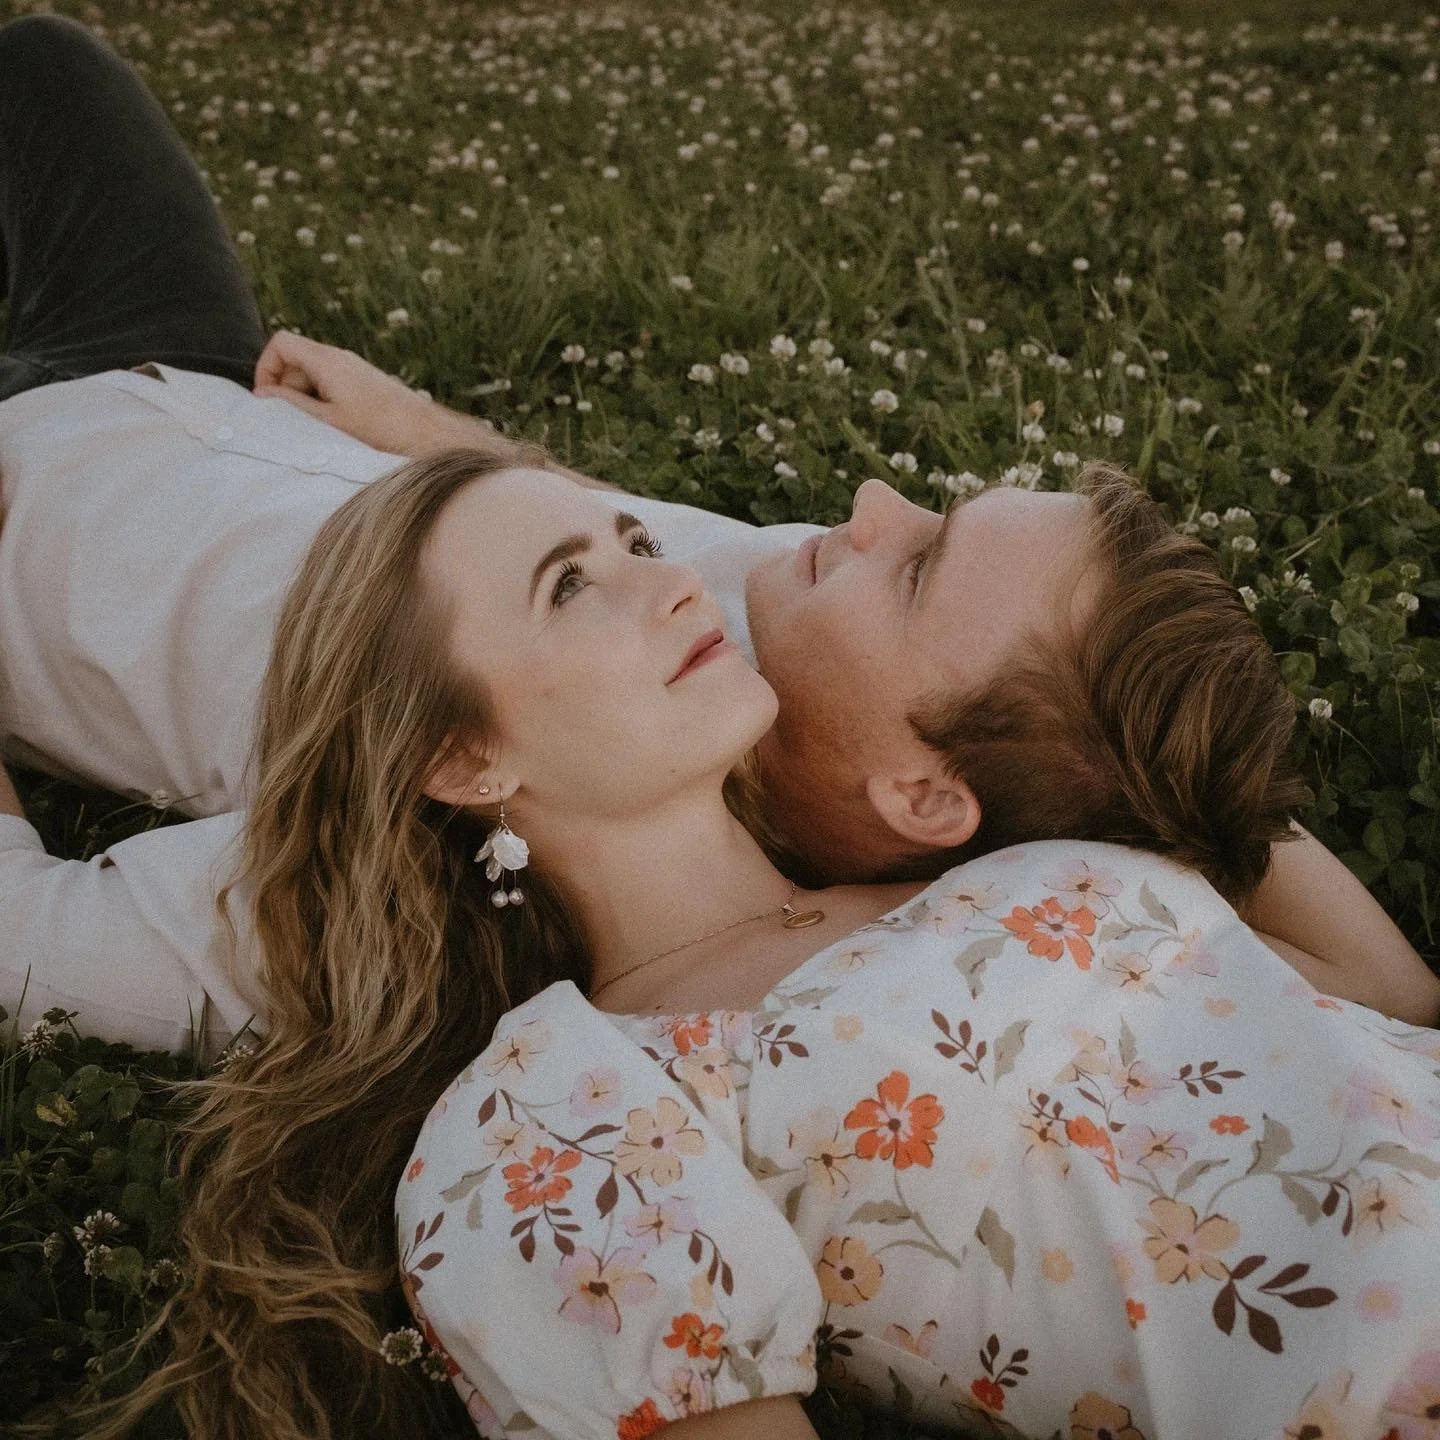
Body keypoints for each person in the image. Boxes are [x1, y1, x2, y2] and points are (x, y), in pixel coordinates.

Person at [0, 17, 1434, 1058]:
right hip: (191, 376)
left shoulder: (435, 861)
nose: (868, 512)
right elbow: (572, 521)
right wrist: (419, 423)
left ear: (927, 795)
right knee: (50, 70)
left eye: (921, 564)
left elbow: (28, 939)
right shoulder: (750, 617)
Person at [96, 448, 1440, 1440]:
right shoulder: (561, 1108)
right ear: (464, 753)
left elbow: (1388, 998)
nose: (673, 579)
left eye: (637, 537)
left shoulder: (991, 850)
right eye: (574, 585)